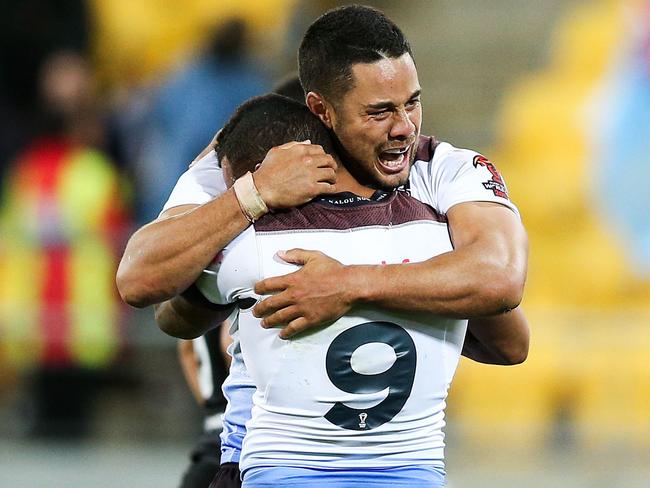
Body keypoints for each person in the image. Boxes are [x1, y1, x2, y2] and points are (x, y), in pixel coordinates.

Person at [117, 3, 528, 485]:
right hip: (257, 458)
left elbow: (504, 299)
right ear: (321, 111)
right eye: (379, 112)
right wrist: (253, 197)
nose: (405, 127)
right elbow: (147, 286)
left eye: (412, 102)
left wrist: (350, 285)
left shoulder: (446, 170)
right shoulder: (240, 161)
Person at [177, 321, 232, 488]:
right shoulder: (236, 294)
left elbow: (186, 349)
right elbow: (228, 343)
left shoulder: (194, 295)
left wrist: (209, 402)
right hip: (238, 432)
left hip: (213, 427)